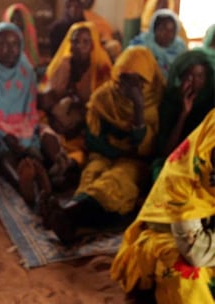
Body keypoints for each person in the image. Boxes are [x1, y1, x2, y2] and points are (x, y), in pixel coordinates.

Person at [46, 46, 165, 245]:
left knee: (117, 181)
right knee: (92, 174)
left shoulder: (155, 102)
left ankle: (69, 217)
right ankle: (71, 215)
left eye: (136, 80)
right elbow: (94, 140)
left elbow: (146, 148)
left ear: (147, 80)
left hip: (135, 162)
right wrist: (115, 151)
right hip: (104, 155)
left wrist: (138, 108)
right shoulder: (104, 96)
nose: (128, 86)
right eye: (124, 78)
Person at [111, 109, 215, 303]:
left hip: (210, 244)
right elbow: (196, 252)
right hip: (167, 240)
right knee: (186, 274)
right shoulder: (182, 180)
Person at [0, 22, 73, 210]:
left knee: (38, 142)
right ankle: (22, 183)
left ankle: (45, 175)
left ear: (21, 47)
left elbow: (30, 110)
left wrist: (24, 132)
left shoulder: (26, 72)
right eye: (2, 43)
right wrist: (3, 133)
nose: (9, 49)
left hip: (24, 126)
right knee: (2, 149)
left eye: (14, 44)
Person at [38, 21, 112, 168]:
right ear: (69, 44)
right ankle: (58, 159)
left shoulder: (101, 69)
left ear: (92, 44)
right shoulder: (64, 64)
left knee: (89, 142)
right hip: (60, 119)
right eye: (75, 41)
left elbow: (104, 104)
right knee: (42, 125)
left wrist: (80, 109)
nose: (80, 46)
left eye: (85, 41)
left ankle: (67, 162)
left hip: (87, 121)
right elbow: (50, 95)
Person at [152, 49, 215, 180]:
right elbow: (166, 152)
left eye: (199, 76)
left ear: (207, 78)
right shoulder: (171, 101)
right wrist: (183, 114)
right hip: (176, 161)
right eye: (188, 76)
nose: (193, 81)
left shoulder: (211, 101)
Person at [129, 8, 187, 79]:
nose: (167, 34)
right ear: (154, 29)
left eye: (171, 30)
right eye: (162, 29)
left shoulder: (179, 47)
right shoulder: (142, 43)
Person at [48, 0, 118, 59]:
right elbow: (55, 54)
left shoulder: (88, 27)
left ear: (81, 9)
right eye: (70, 7)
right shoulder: (57, 28)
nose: (73, 10)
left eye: (77, 7)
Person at [2, 3, 40, 68]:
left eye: (19, 20)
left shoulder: (30, 48)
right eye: (13, 19)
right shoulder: (1, 48)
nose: (15, 23)